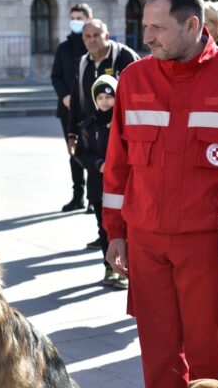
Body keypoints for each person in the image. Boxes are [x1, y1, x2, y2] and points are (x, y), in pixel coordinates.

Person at [103, 0, 218, 388]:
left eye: (157, 28)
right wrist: (115, 232)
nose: (147, 37)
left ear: (192, 25)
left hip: (209, 248)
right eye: (145, 26)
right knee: (159, 358)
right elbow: (117, 166)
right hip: (146, 244)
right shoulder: (134, 80)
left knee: (209, 357)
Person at [67, 19, 139, 249]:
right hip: (94, 136)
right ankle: (106, 237)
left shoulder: (125, 57)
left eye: (96, 35)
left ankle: (126, 242)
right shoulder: (83, 63)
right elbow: (76, 101)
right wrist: (72, 133)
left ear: (107, 35)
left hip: (122, 133)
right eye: (87, 37)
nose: (92, 40)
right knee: (99, 195)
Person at [73, 74, 126, 289]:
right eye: (100, 98)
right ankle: (109, 267)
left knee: (125, 228)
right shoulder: (88, 125)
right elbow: (80, 152)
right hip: (99, 186)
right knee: (104, 228)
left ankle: (125, 268)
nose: (105, 101)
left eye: (109, 97)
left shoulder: (124, 122)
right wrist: (98, 164)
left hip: (123, 186)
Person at [51, 3, 92, 212]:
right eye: (72, 18)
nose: (75, 21)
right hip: (68, 110)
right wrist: (64, 96)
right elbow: (56, 76)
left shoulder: (94, 46)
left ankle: (95, 198)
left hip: (92, 110)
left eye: (79, 18)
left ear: (88, 19)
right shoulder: (64, 48)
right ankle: (78, 196)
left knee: (94, 151)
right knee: (74, 152)